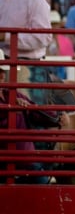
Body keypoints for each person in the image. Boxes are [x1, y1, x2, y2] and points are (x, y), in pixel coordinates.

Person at [0, 50, 69, 185]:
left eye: (2, 71)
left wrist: (56, 117)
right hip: (13, 160)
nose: (1, 75)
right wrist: (11, 107)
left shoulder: (13, 95)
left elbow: (36, 112)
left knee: (42, 187)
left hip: (26, 161)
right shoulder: (12, 98)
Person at [0, 0, 53, 104]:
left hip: (26, 65)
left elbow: (44, 38)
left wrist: (6, 37)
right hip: (4, 63)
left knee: (21, 108)